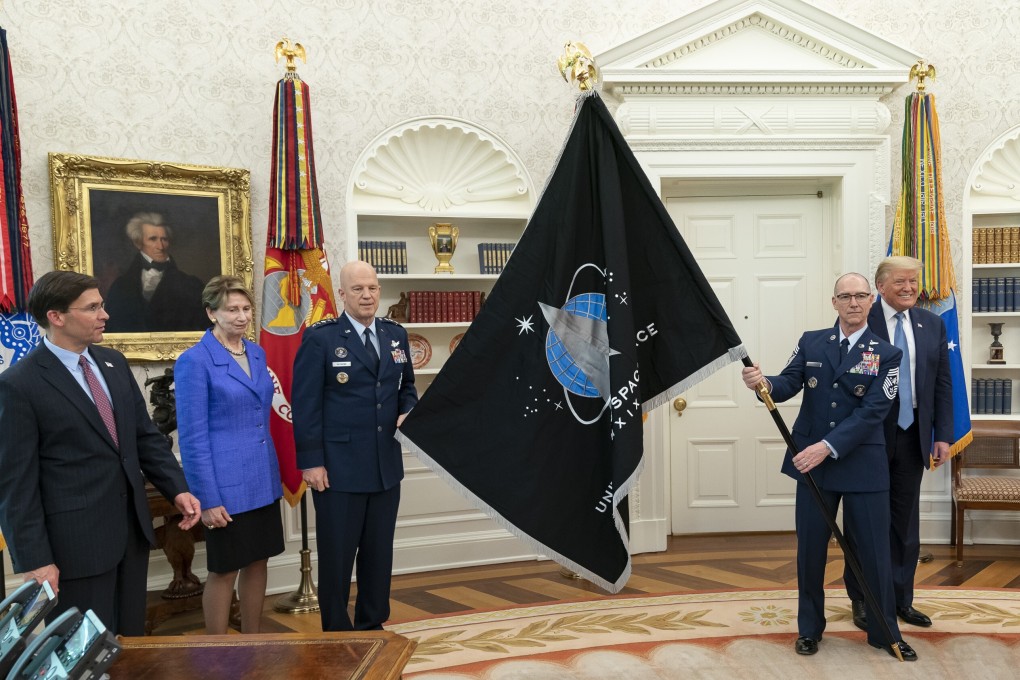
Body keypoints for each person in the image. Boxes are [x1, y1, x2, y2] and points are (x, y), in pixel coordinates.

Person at [0, 270, 201, 636]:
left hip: (130, 534)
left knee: (130, 644)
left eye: (102, 305)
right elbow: (16, 485)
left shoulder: (113, 363)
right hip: (75, 547)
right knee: (84, 650)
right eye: (92, 308)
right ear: (56, 317)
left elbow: (144, 437)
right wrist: (36, 560)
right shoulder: (19, 384)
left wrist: (178, 488)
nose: (104, 315)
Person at [741, 272, 916, 661]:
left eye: (860, 296)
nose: (853, 303)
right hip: (813, 469)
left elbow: (874, 411)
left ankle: (885, 632)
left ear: (871, 301)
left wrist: (826, 446)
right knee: (810, 551)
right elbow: (787, 383)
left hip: (862, 465)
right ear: (833, 302)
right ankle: (809, 629)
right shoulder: (812, 341)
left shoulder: (887, 353)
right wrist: (762, 382)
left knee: (874, 553)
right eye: (845, 296)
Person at [292, 260, 418, 631]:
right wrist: (311, 462)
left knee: (378, 555)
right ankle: (336, 632)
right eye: (358, 289)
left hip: (384, 466)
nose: (367, 295)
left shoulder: (395, 335)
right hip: (338, 469)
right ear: (342, 294)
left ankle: (371, 626)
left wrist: (409, 409)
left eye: (372, 288)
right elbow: (306, 405)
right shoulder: (322, 338)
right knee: (337, 557)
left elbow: (407, 387)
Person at [844, 256, 953, 631]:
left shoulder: (932, 324)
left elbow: (942, 383)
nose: (909, 288)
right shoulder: (861, 319)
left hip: (912, 436)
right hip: (868, 438)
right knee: (862, 522)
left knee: (905, 523)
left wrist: (942, 434)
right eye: (900, 282)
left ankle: (901, 599)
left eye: (914, 282)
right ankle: (862, 599)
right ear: (880, 286)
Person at [175, 275, 285, 634]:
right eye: (232, 309)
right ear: (212, 313)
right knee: (224, 569)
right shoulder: (195, 361)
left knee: (258, 560)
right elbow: (193, 438)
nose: (242, 316)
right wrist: (207, 499)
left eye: (246, 309)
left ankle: (253, 640)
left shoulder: (256, 352)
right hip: (224, 487)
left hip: (261, 479)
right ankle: (217, 652)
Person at [104, 212, 207, 333]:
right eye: (153, 239)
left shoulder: (192, 285)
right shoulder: (119, 286)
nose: (161, 246)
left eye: (164, 239)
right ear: (138, 243)